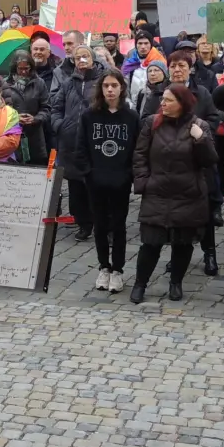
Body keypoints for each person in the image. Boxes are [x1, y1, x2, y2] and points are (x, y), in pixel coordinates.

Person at [129, 83, 216, 303]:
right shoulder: (152, 123)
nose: (162, 103)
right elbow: (140, 155)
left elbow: (209, 161)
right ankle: (140, 284)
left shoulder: (199, 126)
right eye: (163, 99)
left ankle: (175, 283)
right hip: (157, 192)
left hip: (188, 195)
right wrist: (144, 184)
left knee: (182, 243)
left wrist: (201, 140)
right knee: (150, 243)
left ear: (182, 103)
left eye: (168, 100)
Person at [71, 71, 139, 294]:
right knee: (99, 225)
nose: (110, 90)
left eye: (114, 85)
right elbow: (80, 147)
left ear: (122, 88)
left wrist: (129, 174)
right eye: (106, 86)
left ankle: (118, 269)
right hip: (96, 179)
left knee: (118, 226)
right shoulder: (89, 116)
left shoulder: (131, 117)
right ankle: (104, 266)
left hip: (120, 179)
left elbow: (136, 149)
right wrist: (89, 173)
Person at [47, 45, 113, 241]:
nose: (81, 60)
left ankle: (106, 226)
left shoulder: (103, 81)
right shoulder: (68, 83)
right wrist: (59, 125)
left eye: (85, 56)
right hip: (71, 142)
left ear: (93, 58)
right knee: (76, 188)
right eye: (77, 57)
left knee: (99, 187)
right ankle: (84, 224)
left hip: (96, 143)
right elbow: (56, 107)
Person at [0, 51, 48, 164]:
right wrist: (15, 118)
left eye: (27, 68)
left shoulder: (39, 83)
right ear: (14, 68)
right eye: (20, 69)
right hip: (11, 135)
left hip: (34, 137)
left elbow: (46, 108)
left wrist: (35, 119)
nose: (24, 72)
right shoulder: (5, 84)